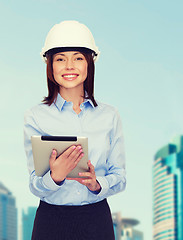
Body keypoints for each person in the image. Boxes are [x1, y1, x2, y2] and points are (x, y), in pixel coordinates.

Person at [24, 20, 126, 240]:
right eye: (60, 59)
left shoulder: (109, 116)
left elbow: (120, 176)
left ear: (89, 63)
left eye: (78, 58)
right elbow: (34, 183)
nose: (69, 66)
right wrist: (55, 177)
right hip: (51, 221)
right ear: (50, 66)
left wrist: (97, 184)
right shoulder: (35, 116)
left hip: (96, 219)